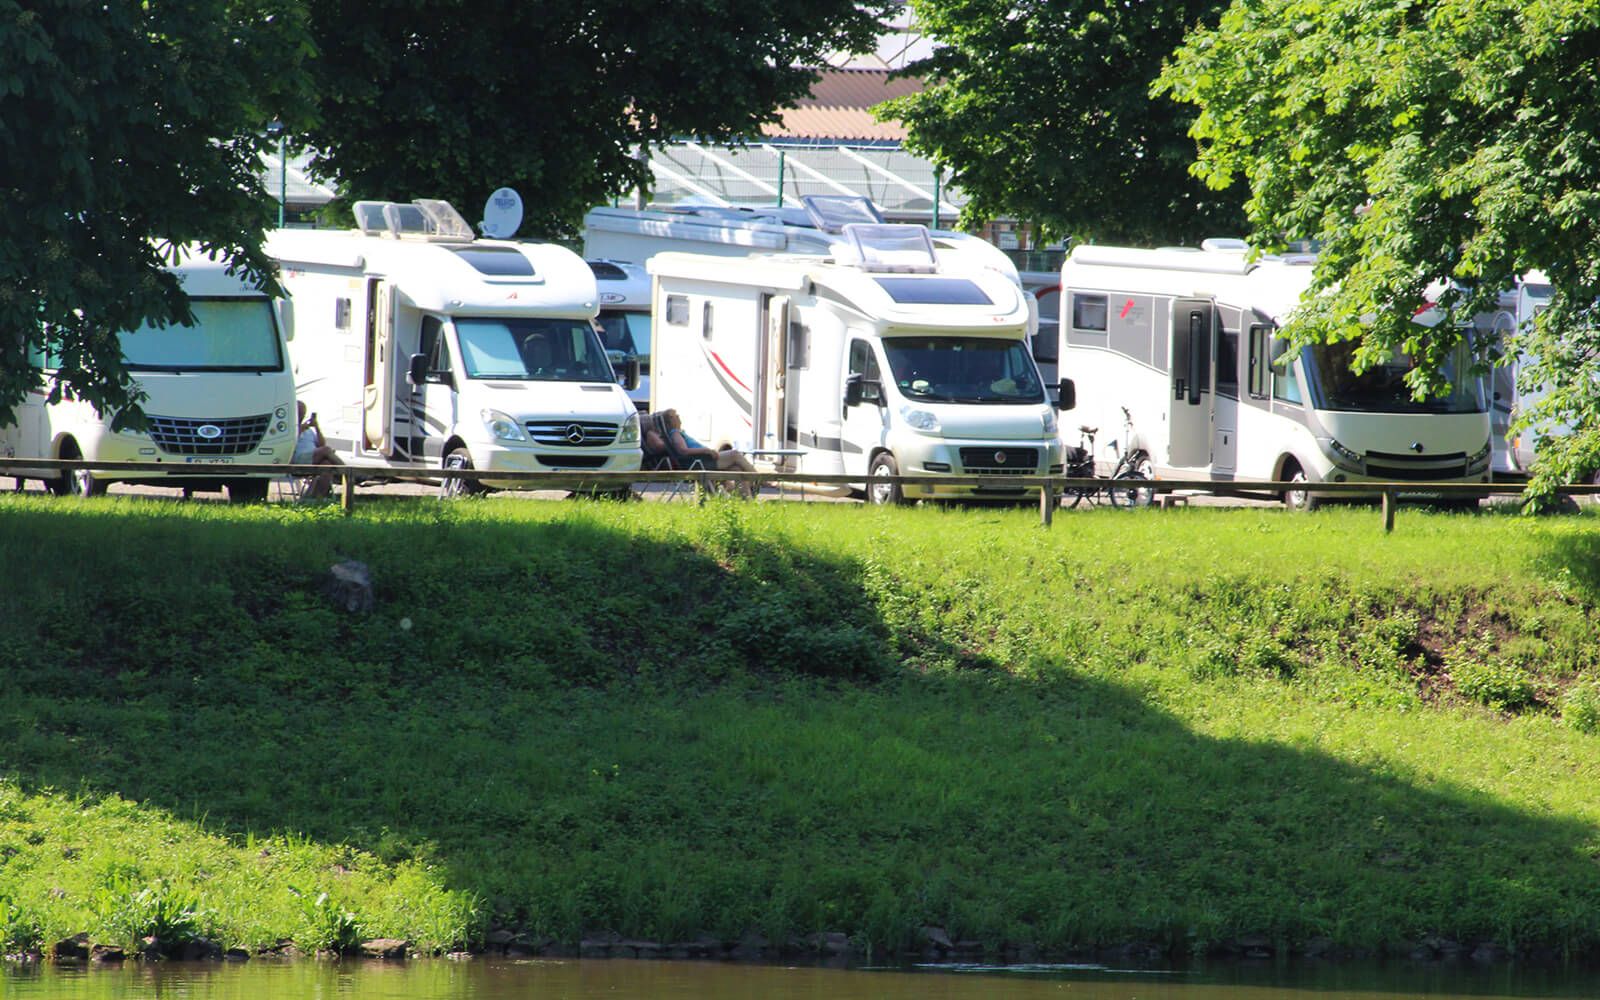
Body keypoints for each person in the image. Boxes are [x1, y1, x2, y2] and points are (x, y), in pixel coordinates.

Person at [659, 409, 758, 498]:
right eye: (676, 415)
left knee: (737, 470)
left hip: (703, 460)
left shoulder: (678, 433)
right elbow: (683, 450)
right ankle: (758, 478)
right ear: (671, 420)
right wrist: (706, 450)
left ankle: (747, 500)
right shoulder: (675, 434)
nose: (678, 417)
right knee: (734, 454)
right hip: (701, 462)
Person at [292, 402, 343, 498]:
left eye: (303, 413)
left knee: (326, 464)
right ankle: (346, 471)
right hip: (298, 460)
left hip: (312, 458)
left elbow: (321, 444)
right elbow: (289, 444)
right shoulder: (289, 429)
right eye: (299, 413)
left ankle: (315, 497)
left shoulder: (309, 430)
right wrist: (299, 430)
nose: (301, 416)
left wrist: (317, 427)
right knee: (326, 450)